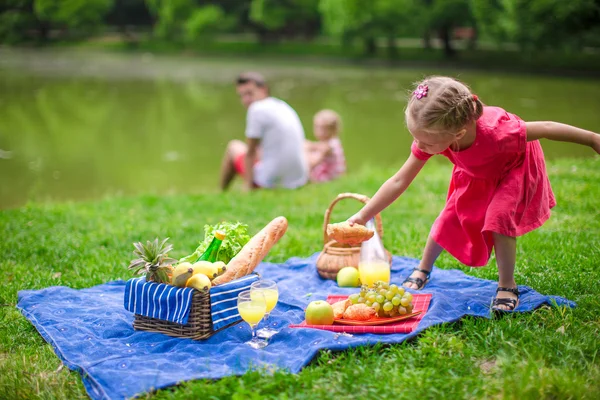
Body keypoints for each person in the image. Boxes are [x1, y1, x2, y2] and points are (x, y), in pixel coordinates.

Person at [347, 76, 600, 313]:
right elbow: (399, 180)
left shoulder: (499, 133)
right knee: (449, 216)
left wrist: (592, 138)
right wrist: (363, 214)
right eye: (416, 138)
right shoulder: (435, 135)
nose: (420, 147)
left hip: (514, 165)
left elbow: (545, 127)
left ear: (458, 134)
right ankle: (423, 269)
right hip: (476, 167)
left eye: (426, 142)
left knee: (499, 219)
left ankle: (507, 285)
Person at [220, 72, 308, 191]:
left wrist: (247, 186)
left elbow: (250, 154)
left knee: (233, 147)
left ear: (263, 89)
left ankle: (221, 192)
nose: (245, 100)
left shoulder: (256, 109)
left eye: (249, 93)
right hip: (298, 180)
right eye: (241, 96)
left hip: (270, 183)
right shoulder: (282, 105)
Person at [305, 109, 346, 183]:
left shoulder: (328, 147)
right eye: (317, 128)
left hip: (329, 178)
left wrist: (305, 155)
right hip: (335, 176)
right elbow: (317, 145)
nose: (320, 132)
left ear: (333, 130)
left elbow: (313, 163)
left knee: (307, 162)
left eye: (324, 129)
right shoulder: (334, 141)